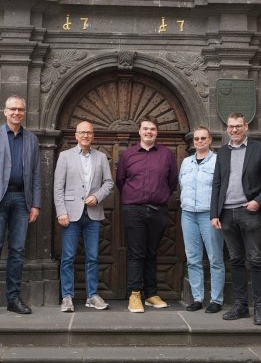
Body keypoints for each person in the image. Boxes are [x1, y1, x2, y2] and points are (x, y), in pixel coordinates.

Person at [0, 95, 41, 318]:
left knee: (18, 251)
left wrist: (36, 204)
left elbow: (37, 175)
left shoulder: (31, 139)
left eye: (20, 109)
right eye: (13, 109)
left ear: (24, 112)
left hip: (22, 200)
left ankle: (13, 299)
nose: (17, 113)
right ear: (5, 112)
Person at [210, 112, 261, 326]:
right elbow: (217, 184)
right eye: (230, 127)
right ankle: (240, 306)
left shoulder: (259, 149)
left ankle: (259, 307)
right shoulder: (221, 152)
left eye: (238, 126)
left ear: (246, 126)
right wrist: (214, 213)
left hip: (249, 212)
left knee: (256, 260)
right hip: (227, 214)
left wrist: (258, 202)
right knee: (236, 260)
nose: (234, 130)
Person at [115, 116, 178, 313]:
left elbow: (172, 181)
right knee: (136, 252)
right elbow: (120, 180)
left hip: (158, 210)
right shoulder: (128, 155)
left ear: (156, 132)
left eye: (152, 129)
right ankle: (135, 294)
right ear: (139, 131)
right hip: (134, 210)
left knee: (152, 252)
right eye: (145, 129)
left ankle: (151, 294)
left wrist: (159, 195)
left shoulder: (167, 154)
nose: (148, 132)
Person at [53, 121, 114, 312]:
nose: (85, 136)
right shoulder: (65, 156)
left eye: (89, 133)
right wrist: (61, 211)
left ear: (93, 136)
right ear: (76, 135)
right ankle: (67, 297)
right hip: (70, 215)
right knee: (68, 257)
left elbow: (109, 182)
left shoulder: (101, 157)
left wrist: (97, 196)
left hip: (93, 214)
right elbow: (58, 187)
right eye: (82, 132)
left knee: (93, 257)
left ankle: (92, 296)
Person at [178, 126, 225, 314]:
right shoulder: (186, 162)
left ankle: (216, 300)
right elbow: (182, 185)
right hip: (188, 214)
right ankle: (197, 298)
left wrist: (217, 213)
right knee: (193, 259)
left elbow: (222, 189)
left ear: (210, 140)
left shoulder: (218, 161)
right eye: (196, 139)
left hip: (209, 214)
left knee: (215, 258)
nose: (199, 141)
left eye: (203, 138)